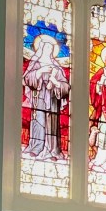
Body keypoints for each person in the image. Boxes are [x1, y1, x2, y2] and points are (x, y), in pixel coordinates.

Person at [22, 32, 69, 160]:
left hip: (53, 100)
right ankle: (36, 146)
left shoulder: (57, 68)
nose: (49, 50)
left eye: (51, 48)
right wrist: (40, 72)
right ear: (41, 48)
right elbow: (26, 79)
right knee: (39, 120)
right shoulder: (35, 64)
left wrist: (55, 82)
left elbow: (66, 87)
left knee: (52, 123)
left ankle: (53, 150)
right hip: (39, 97)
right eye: (47, 47)